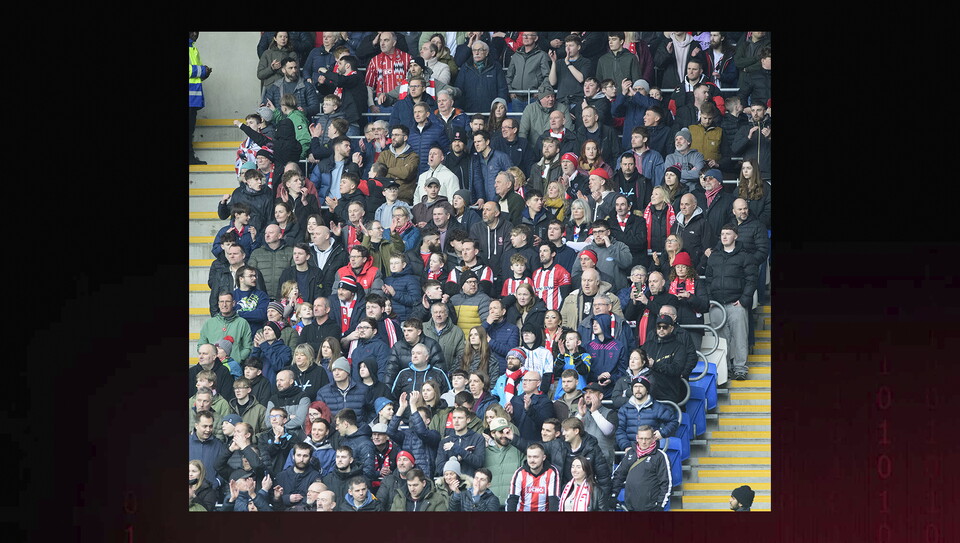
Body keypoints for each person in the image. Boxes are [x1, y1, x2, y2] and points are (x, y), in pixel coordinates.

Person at [704, 224, 757, 380]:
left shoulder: (745, 256)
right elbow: (708, 279)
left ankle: (740, 368)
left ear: (736, 236)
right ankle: (725, 369)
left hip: (736, 303)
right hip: (717, 304)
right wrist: (709, 299)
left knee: (740, 337)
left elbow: (751, 280)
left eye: (728, 233)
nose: (724, 236)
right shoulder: (714, 256)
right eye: (722, 234)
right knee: (721, 340)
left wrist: (744, 300)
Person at [611, 425, 671, 511]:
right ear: (637, 438)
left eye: (647, 438)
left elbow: (666, 483)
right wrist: (613, 494)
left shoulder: (660, 457)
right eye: (641, 438)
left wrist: (660, 505)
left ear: (653, 438)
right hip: (630, 507)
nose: (643, 442)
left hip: (651, 508)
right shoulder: (631, 453)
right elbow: (619, 475)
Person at [455, 39, 508, 114]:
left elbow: (502, 89)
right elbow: (459, 88)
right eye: (474, 50)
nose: (476, 53)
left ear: (486, 52)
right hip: (469, 112)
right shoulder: (465, 67)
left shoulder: (496, 67)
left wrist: (498, 108)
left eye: (480, 50)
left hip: (491, 113)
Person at [506, 443, 561, 511]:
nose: (532, 460)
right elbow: (512, 499)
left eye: (535, 457)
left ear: (543, 457)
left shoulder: (552, 472)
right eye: (529, 457)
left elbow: (554, 500)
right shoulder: (519, 473)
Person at [693, 168, 736, 251]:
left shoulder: (729, 199)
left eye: (711, 178)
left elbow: (732, 224)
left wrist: (719, 245)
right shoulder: (698, 199)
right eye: (705, 179)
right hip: (700, 246)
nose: (707, 181)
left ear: (719, 181)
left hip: (720, 246)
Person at [375, 125, 420, 204]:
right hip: (383, 199)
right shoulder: (384, 154)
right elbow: (377, 172)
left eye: (397, 135)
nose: (393, 137)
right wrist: (399, 171)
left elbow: (406, 173)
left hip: (403, 199)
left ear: (405, 138)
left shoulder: (413, 156)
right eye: (392, 135)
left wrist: (386, 169)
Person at [188, 32, 213, 165]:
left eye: (196, 32)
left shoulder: (193, 49)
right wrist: (202, 70)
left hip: (193, 100)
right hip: (191, 99)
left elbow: (195, 76)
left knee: (190, 130)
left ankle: (191, 158)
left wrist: (205, 73)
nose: (195, 34)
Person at [731, 102, 771, 181]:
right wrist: (747, 138)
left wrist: (769, 138)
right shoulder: (744, 128)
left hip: (768, 174)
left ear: (765, 111)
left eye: (758, 110)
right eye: (753, 110)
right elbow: (734, 149)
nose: (755, 113)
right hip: (750, 174)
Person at [672, 193, 708, 271]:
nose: (683, 207)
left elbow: (706, 249)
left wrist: (699, 268)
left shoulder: (703, 224)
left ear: (694, 206)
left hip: (695, 268)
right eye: (681, 204)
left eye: (687, 204)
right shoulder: (676, 223)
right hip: (678, 269)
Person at [737, 158, 771, 229]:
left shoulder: (766, 188)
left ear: (755, 170)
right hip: (741, 228)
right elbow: (734, 209)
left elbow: (768, 211)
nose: (745, 171)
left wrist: (755, 224)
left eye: (748, 168)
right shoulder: (738, 188)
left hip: (760, 228)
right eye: (743, 168)